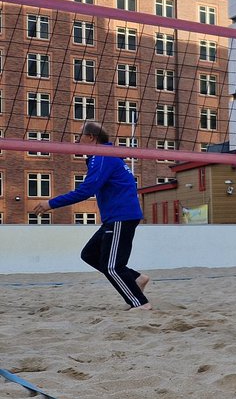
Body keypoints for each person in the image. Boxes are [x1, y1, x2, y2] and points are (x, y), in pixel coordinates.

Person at [32, 121, 151, 310]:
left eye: (79, 138)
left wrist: (50, 203)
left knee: (112, 266)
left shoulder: (102, 156)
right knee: (89, 254)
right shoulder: (106, 156)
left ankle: (141, 304)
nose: (78, 142)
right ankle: (136, 279)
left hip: (121, 216)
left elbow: (86, 190)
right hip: (116, 217)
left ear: (91, 137)